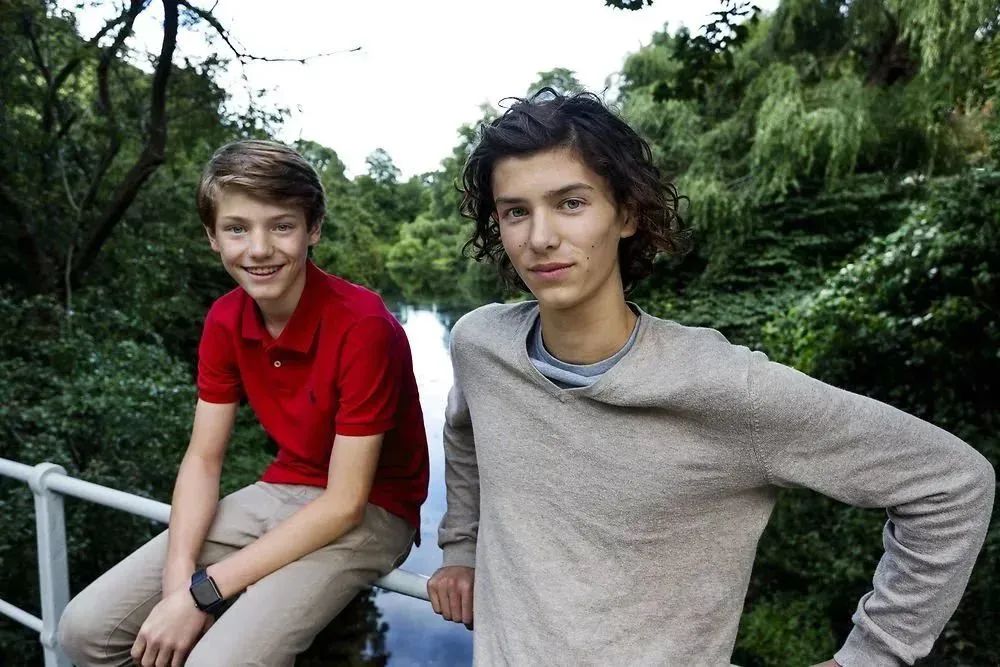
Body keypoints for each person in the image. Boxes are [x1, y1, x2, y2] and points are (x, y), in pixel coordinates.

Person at [426, 89, 995, 666]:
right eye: (515, 211)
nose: (540, 237)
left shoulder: (729, 390)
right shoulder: (480, 345)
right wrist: (461, 548)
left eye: (571, 203)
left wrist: (870, 657)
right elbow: (465, 433)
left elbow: (952, 485)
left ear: (626, 214)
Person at [58, 139, 429, 667]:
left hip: (373, 508)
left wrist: (202, 595)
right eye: (236, 228)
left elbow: (346, 502)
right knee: (84, 631)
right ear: (212, 237)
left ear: (313, 229)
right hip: (282, 487)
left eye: (281, 226)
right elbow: (203, 458)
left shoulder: (363, 325)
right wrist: (178, 582)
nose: (258, 249)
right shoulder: (225, 320)